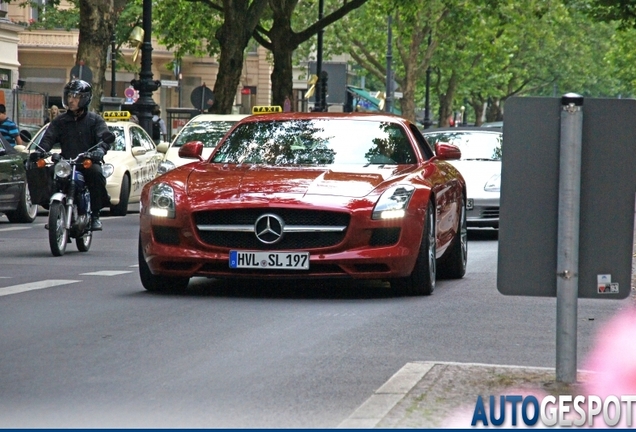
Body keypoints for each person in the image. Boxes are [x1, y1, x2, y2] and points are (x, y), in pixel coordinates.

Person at [37, 79, 112, 231]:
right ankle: (53, 209)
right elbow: (48, 138)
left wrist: (100, 150)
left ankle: (96, 215)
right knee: (50, 172)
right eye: (69, 96)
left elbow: (104, 137)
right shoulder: (60, 121)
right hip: (67, 162)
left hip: (87, 162)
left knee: (96, 174)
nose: (71, 100)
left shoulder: (94, 120)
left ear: (85, 98)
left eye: (76, 97)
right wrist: (40, 151)